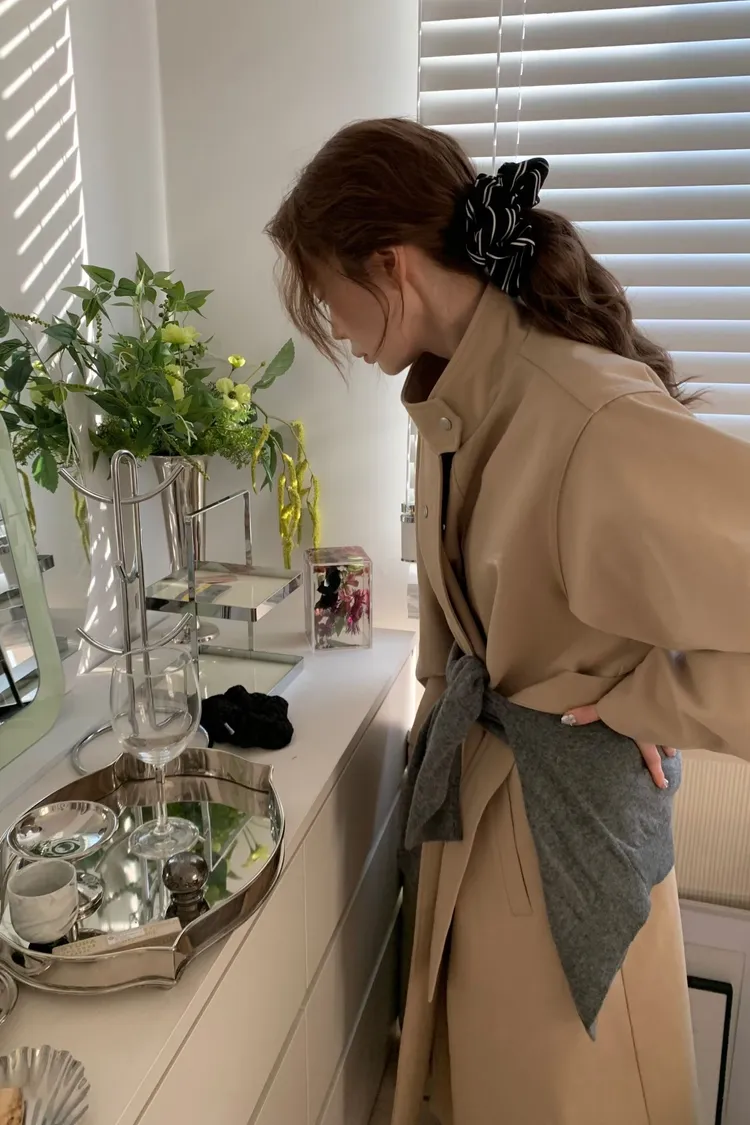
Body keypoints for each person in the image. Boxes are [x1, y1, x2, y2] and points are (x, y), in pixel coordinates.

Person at [265, 118, 750, 1124]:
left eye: (327, 296)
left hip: (562, 855)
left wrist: (654, 698)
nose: (336, 329)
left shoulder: (583, 414)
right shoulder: (460, 394)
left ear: (391, 265)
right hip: (489, 836)